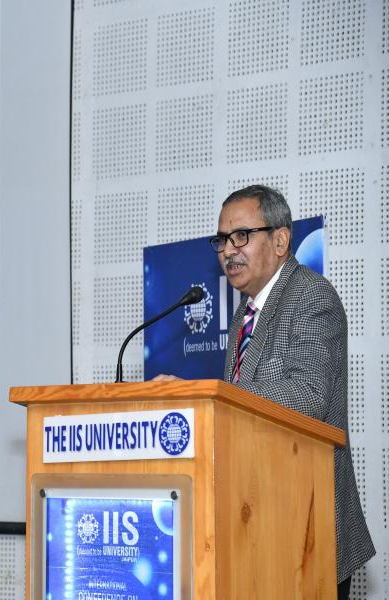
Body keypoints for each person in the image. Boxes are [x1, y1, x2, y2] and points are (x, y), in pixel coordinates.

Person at [156, 184, 374, 598]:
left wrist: (208, 394)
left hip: (306, 528)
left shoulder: (312, 296)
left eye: (241, 236)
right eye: (222, 240)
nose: (228, 251)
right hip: (257, 519)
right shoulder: (246, 311)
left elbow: (309, 395)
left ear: (280, 240)